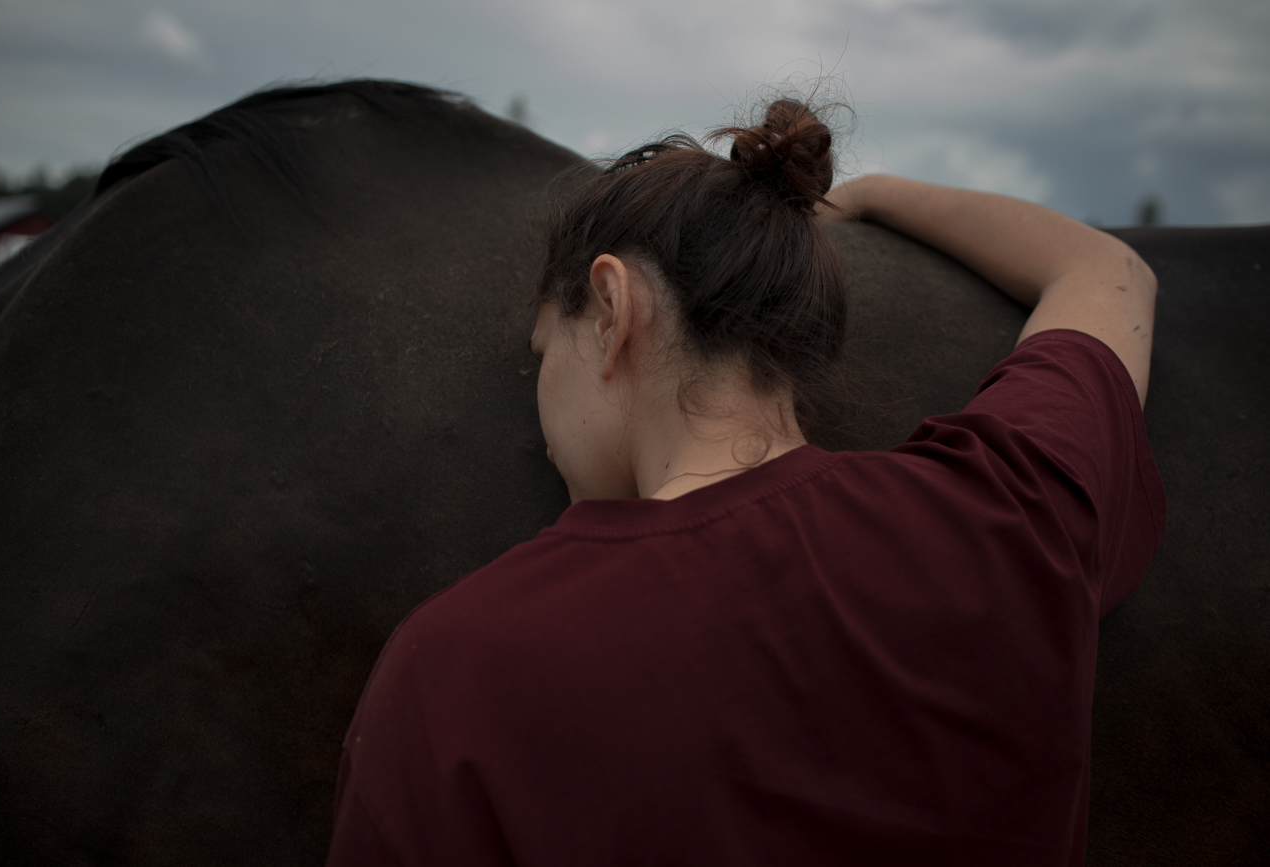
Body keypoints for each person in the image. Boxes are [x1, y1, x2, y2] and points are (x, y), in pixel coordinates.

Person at [326, 98, 1164, 866]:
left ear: (613, 308)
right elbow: (1107, 273)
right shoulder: (1008, 516)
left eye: (546, 353)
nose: (545, 432)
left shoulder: (456, 673)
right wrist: (870, 197)